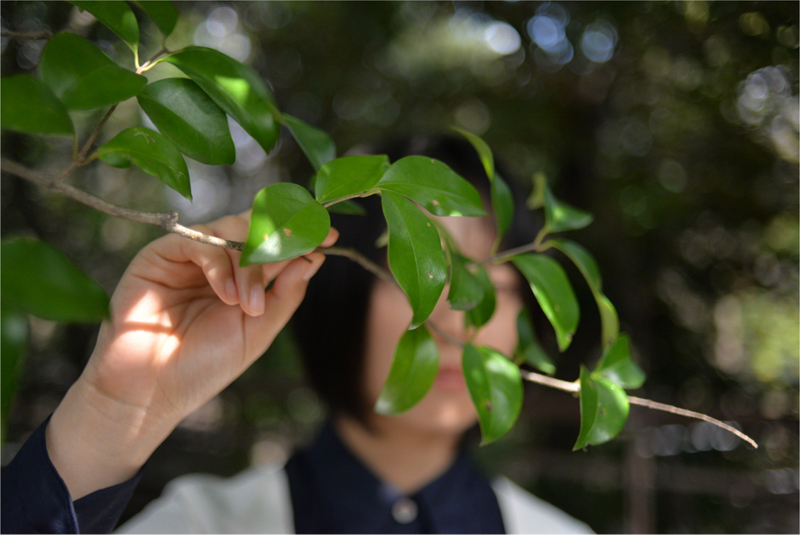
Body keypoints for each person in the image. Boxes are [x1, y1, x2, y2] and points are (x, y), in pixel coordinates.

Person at [1, 136, 592, 533]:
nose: (459, 317)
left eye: (494, 284)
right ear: (339, 293)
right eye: (418, 269)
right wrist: (116, 409)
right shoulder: (206, 524)